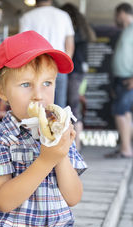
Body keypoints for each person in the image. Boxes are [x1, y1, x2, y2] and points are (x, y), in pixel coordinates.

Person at [0, 31, 133, 227]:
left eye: (47, 84)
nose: (39, 95)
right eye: (26, 85)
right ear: (3, 91)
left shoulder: (59, 129)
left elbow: (73, 197)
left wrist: (59, 153)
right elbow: (3, 200)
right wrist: (44, 160)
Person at [19, 0, 75, 108]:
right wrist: (65, 64)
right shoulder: (63, 16)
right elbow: (70, 44)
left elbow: (22, 44)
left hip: (35, 66)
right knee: (58, 108)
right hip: (58, 65)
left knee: (35, 106)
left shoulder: (27, 17)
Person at [61, 3, 96, 151]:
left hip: (72, 71)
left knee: (72, 108)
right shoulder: (83, 30)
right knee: (74, 107)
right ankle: (76, 146)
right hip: (79, 72)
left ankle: (76, 147)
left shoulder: (74, 32)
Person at [106, 3, 133, 158]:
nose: (115, 19)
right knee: (126, 113)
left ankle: (126, 149)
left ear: (122, 13)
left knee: (119, 112)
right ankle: (126, 146)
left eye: (117, 15)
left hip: (128, 78)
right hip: (122, 77)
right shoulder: (126, 30)